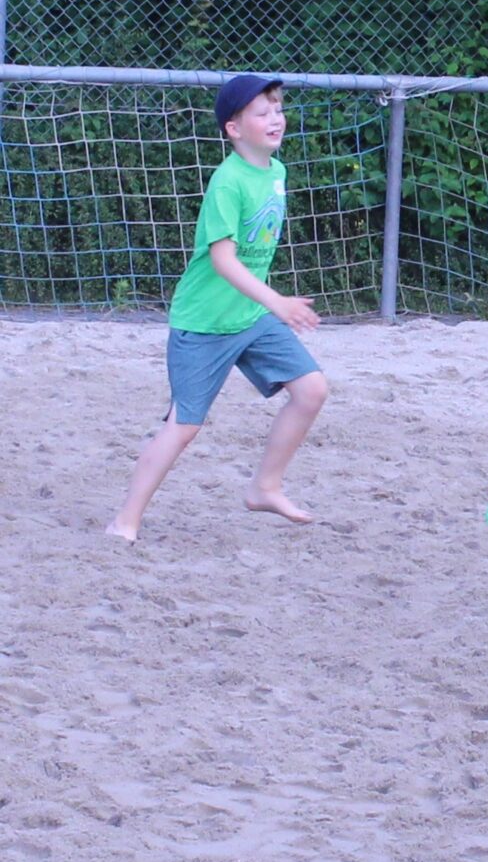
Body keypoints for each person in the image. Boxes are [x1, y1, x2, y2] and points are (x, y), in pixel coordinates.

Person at [110, 74, 331, 541]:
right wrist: (277, 301)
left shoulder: (277, 171)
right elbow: (223, 259)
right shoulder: (227, 182)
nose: (275, 118)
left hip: (249, 318)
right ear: (234, 129)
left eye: (277, 108)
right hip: (205, 324)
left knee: (311, 391)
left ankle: (264, 487)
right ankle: (125, 521)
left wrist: (268, 306)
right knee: (184, 425)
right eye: (261, 111)